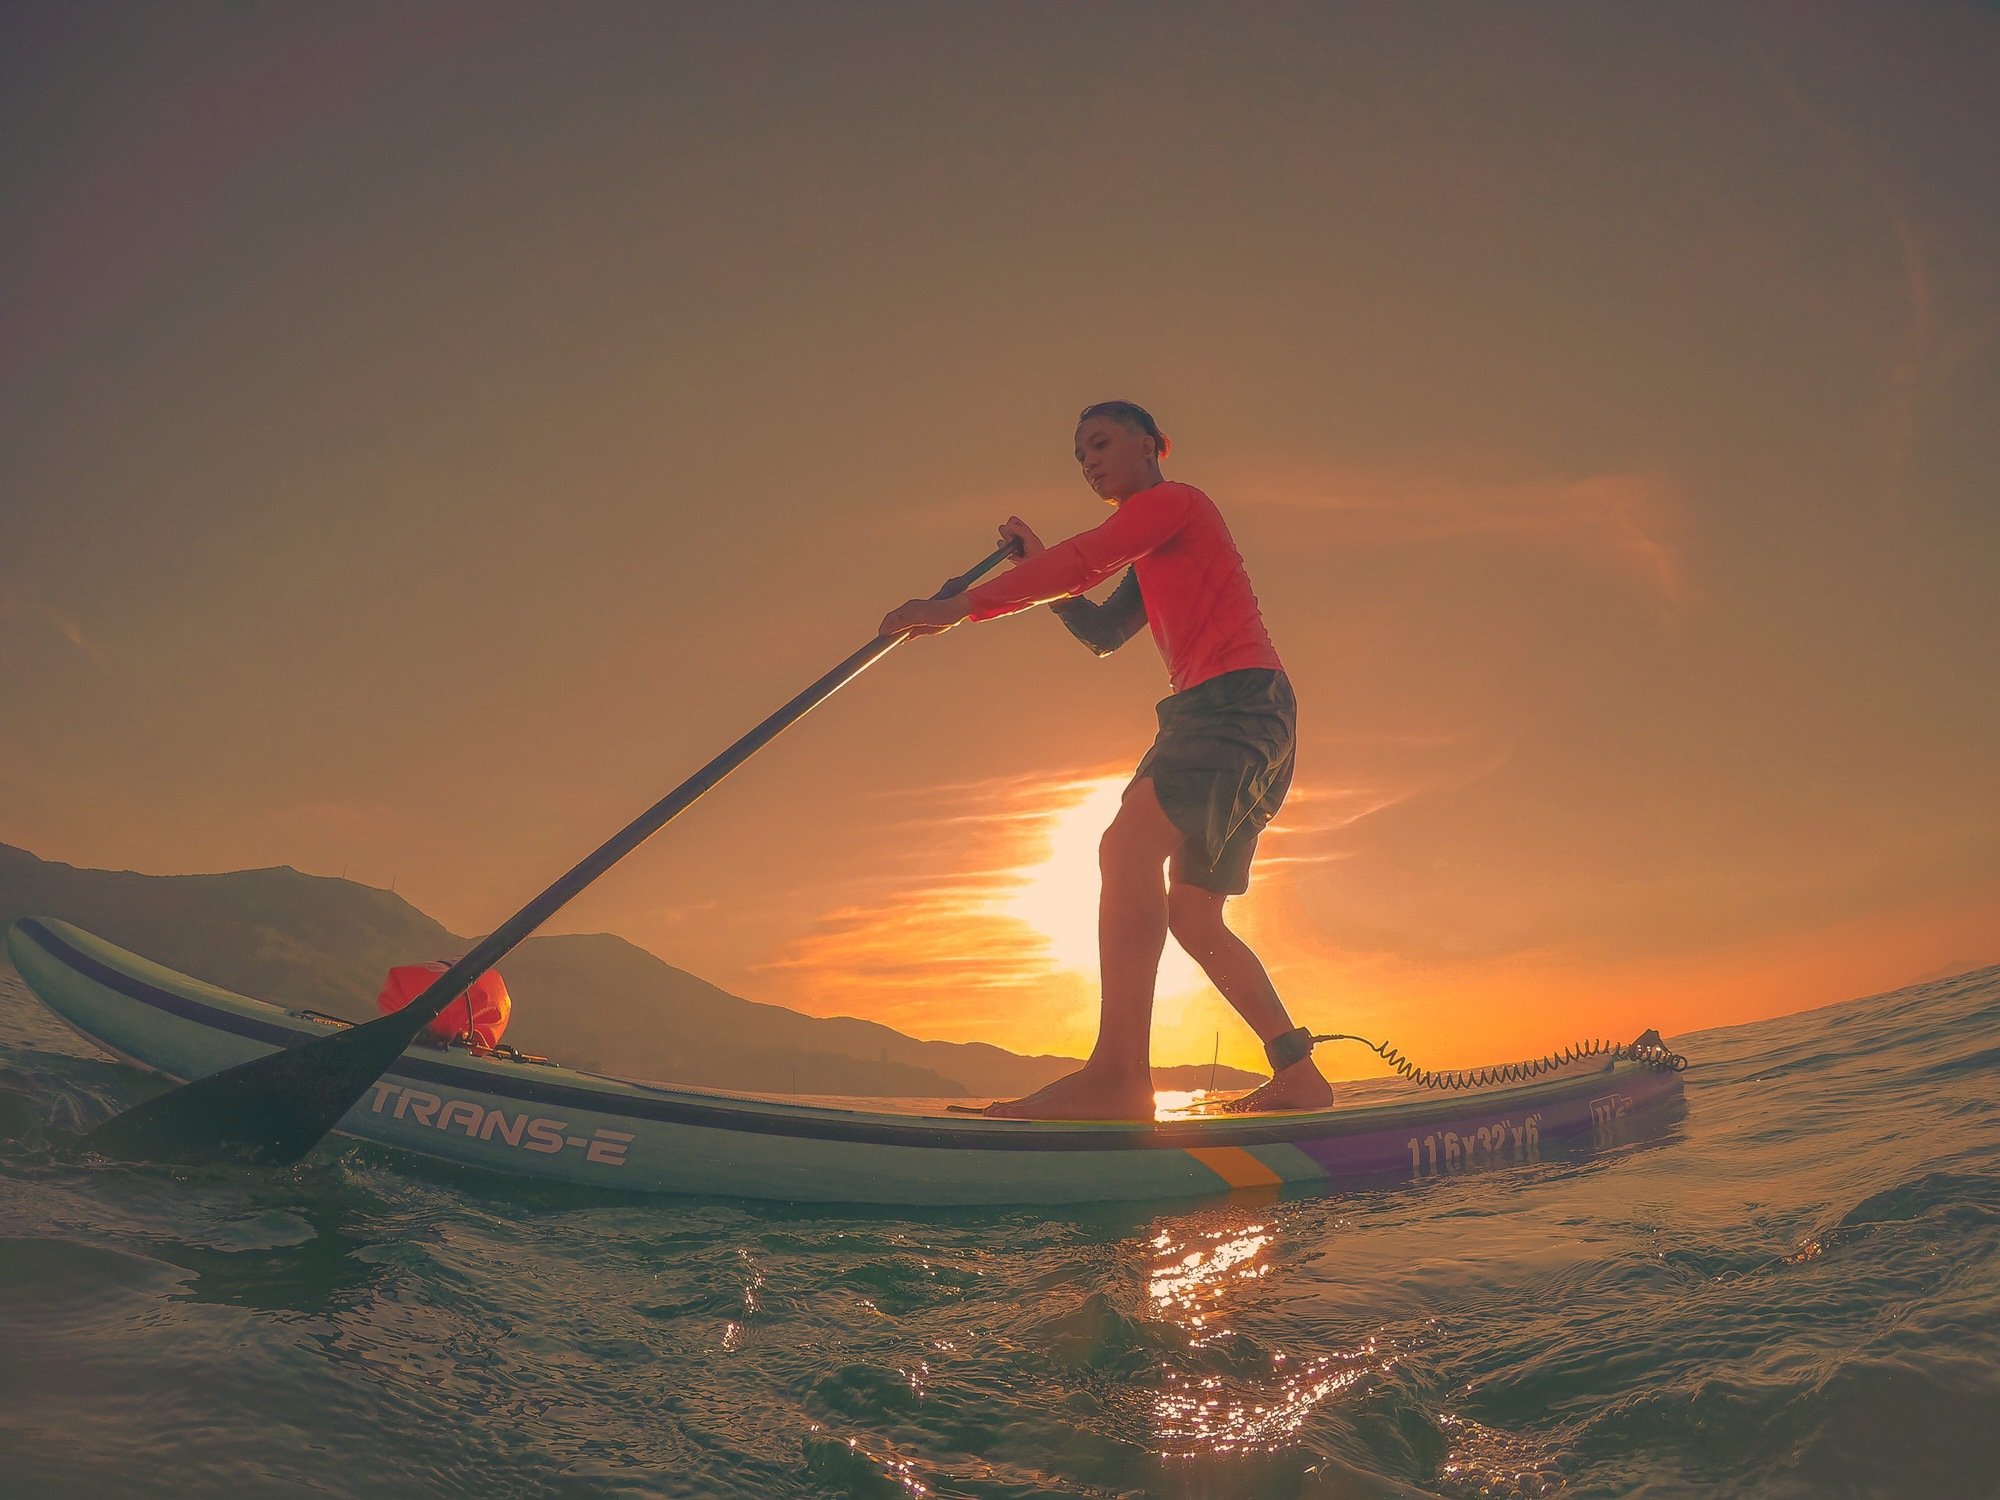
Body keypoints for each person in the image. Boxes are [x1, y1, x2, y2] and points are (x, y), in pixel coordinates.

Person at [878, 401, 1332, 1120]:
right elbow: (1101, 630)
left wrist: (958, 606)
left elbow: (1086, 556)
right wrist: (1043, 572)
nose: (1088, 461)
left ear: (1152, 445)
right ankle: (1297, 1075)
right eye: (1079, 454)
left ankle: (1118, 1079)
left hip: (1232, 704)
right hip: (1244, 716)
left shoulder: (1175, 503)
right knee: (1194, 916)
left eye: (1100, 443)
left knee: (1125, 851)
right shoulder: (1153, 546)